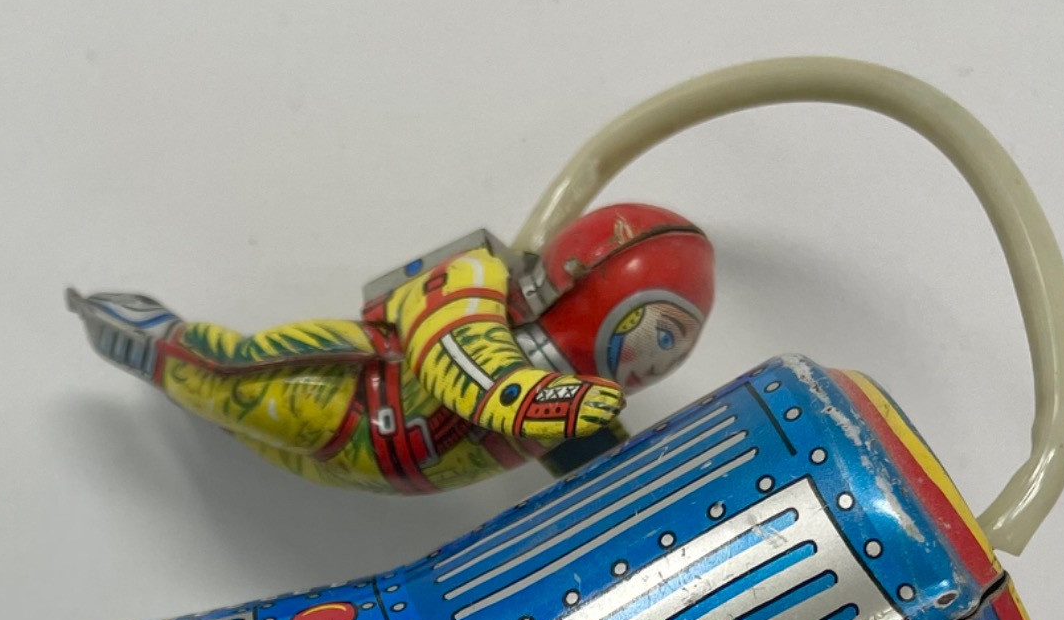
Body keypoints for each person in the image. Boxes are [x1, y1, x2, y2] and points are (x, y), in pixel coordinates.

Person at [68, 203, 714, 495]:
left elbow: (602, 471)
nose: (661, 359)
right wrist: (540, 401)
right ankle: (146, 334)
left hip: (378, 472)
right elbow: (466, 361)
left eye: (679, 344)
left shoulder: (581, 405)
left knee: (234, 423)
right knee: (225, 383)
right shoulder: (473, 281)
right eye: (662, 332)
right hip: (346, 397)